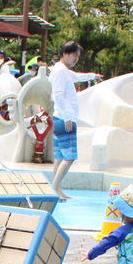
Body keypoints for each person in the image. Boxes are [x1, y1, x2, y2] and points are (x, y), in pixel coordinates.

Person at [51, 41, 101, 200]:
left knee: (60, 156)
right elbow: (57, 95)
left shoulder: (64, 70)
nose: (76, 59)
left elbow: (77, 76)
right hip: (65, 118)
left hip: (62, 117)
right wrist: (67, 117)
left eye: (78, 57)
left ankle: (57, 189)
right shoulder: (60, 71)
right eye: (74, 55)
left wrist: (93, 76)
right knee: (69, 157)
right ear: (65, 53)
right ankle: (53, 189)